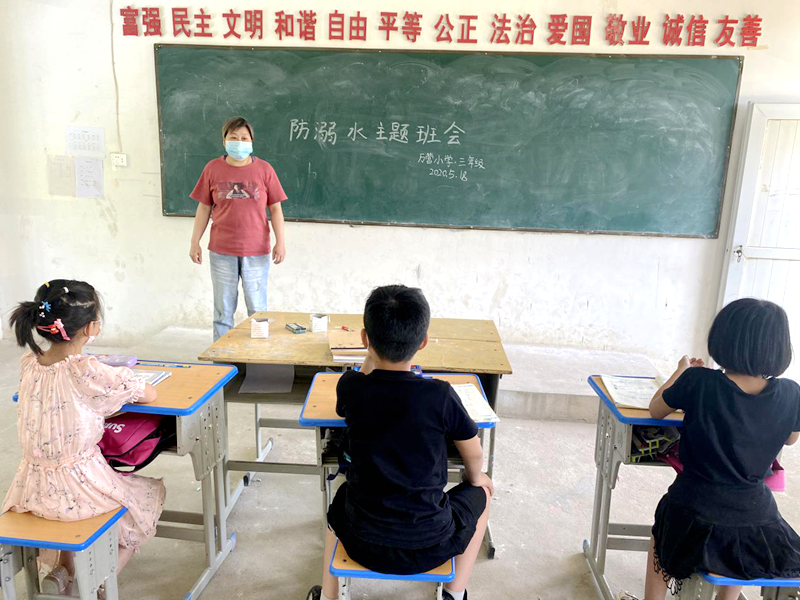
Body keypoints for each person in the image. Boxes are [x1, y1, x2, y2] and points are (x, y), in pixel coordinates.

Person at [306, 285, 492, 600]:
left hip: (361, 542)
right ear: (423, 341)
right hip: (430, 545)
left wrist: (371, 353)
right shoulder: (440, 395)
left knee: (338, 499)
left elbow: (362, 378)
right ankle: (454, 593)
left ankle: (328, 596)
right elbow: (473, 452)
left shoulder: (351, 388)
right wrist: (477, 479)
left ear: (364, 339)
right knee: (482, 493)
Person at [619, 298, 800, 600]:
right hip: (757, 519)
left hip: (693, 510)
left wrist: (681, 371)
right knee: (741, 547)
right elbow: (791, 439)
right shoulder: (791, 393)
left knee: (660, 534)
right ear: (779, 347)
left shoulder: (699, 381)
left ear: (723, 339)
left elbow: (656, 409)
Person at [2, 280, 165, 595]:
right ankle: (99, 582)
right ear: (91, 328)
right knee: (146, 499)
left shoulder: (29, 363)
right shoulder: (86, 370)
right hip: (80, 483)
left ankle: (64, 570)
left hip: (31, 489)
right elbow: (147, 393)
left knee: (79, 504)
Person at [189, 116, 288, 341]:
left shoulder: (264, 170)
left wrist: (280, 243)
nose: (239, 142)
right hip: (222, 250)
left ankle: (258, 356)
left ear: (252, 141)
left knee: (258, 310)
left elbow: (276, 209)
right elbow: (204, 208)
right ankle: (222, 356)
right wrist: (195, 242)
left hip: (256, 250)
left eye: (244, 138)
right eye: (233, 138)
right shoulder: (212, 169)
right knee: (223, 311)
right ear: (224, 140)